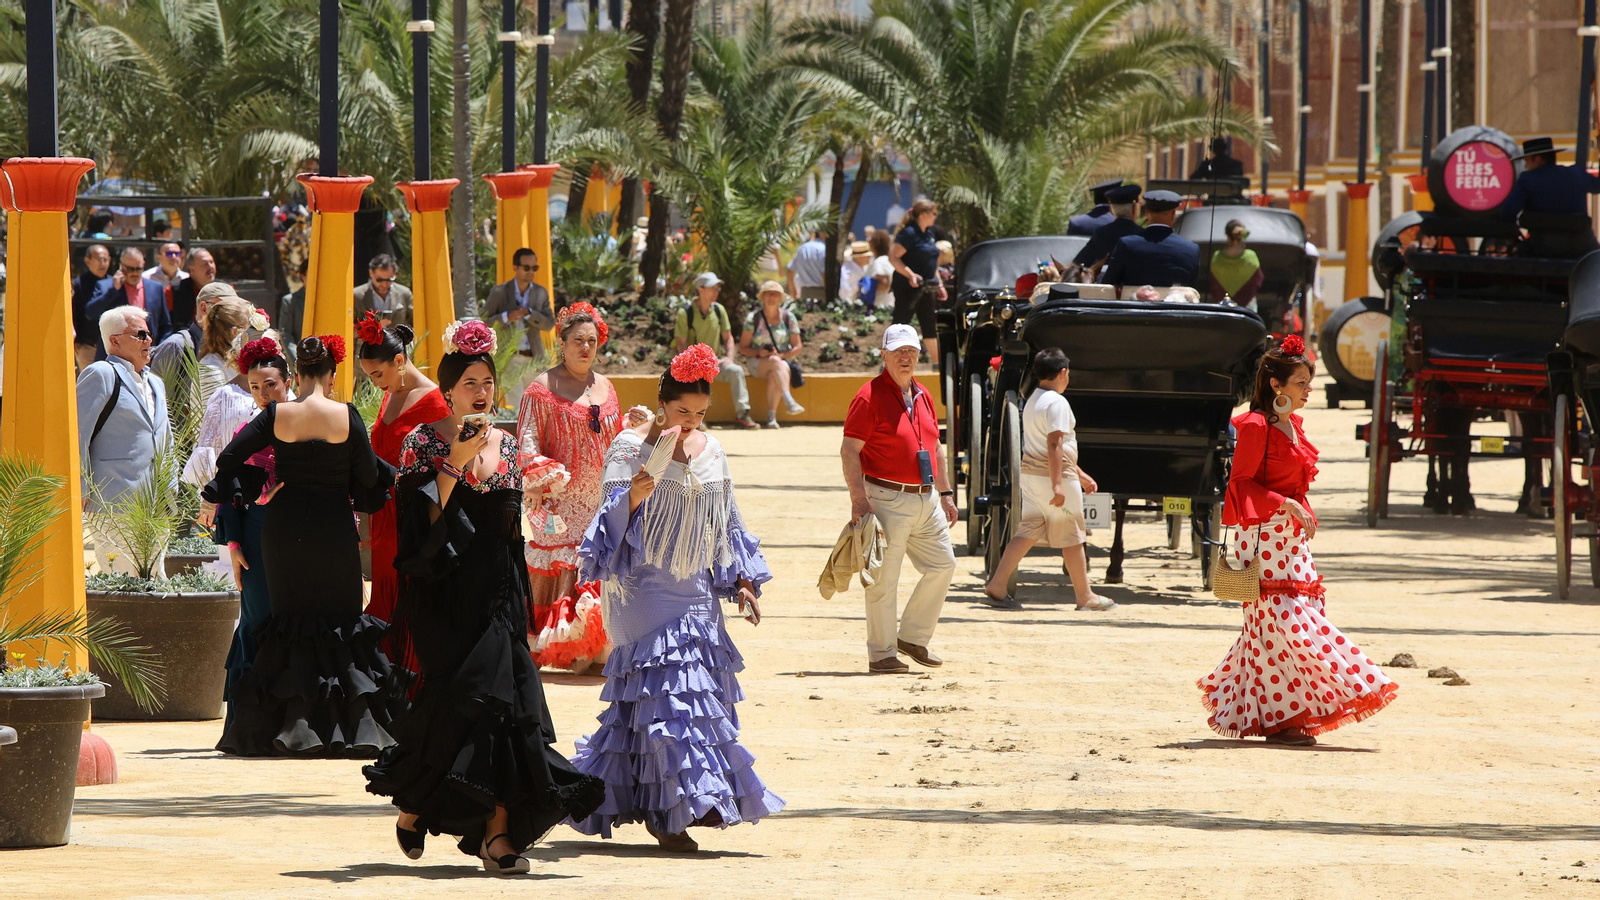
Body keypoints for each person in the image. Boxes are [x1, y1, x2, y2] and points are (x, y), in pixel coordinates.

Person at [364, 320, 605, 875]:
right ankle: (416, 801)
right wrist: (455, 460)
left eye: (487, 382)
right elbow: (420, 524)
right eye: (470, 382)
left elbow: (511, 523)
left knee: (506, 708)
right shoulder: (422, 441)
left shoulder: (508, 443)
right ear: (448, 390)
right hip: (445, 596)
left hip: (497, 590)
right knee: (452, 704)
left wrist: (543, 500)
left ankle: (497, 837)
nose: (480, 391)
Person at [567, 343, 784, 852]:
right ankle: (673, 815)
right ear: (663, 404)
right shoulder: (627, 448)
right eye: (682, 411)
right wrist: (635, 497)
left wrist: (744, 582)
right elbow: (605, 528)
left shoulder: (714, 452)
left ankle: (653, 797)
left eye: (700, 413)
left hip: (697, 588)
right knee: (665, 696)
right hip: (642, 590)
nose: (690, 422)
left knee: (690, 697)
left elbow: (727, 523)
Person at [212, 334, 406, 757]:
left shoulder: (278, 414)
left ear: (296, 375)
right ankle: (351, 729)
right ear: (333, 376)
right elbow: (370, 477)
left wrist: (252, 495)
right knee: (340, 621)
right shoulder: (347, 415)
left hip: (284, 531)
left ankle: (288, 728)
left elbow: (229, 459)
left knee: (290, 622)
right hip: (334, 531)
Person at [1198, 335, 1397, 746]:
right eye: (1302, 383)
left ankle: (1281, 718)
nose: (1309, 390)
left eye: (1309, 381)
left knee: (1271, 632)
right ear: (1276, 385)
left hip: (1291, 546)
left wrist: (1298, 508)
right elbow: (1241, 486)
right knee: (1284, 628)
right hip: (1263, 542)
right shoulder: (1254, 427)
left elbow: (1294, 484)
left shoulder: (1292, 426)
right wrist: (1287, 504)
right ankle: (1333, 692)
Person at [841, 324, 958, 674]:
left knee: (943, 565)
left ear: (919, 356)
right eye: (898, 352)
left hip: (926, 499)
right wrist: (858, 499)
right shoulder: (868, 396)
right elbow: (850, 451)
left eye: (911, 352)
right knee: (883, 580)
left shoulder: (923, 394)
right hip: (886, 498)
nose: (905, 358)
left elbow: (935, 448)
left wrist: (947, 493)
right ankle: (881, 655)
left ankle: (912, 637)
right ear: (884, 356)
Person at [517, 304, 627, 674]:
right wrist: (543, 477)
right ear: (561, 344)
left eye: (592, 342)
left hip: (600, 497)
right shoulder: (541, 389)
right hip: (556, 502)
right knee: (568, 563)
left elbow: (617, 440)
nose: (585, 348)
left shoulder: (607, 387)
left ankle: (597, 650)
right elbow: (527, 443)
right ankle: (571, 649)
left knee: (597, 561)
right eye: (577, 340)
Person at [203, 336, 292, 732]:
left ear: (288, 380)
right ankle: (251, 724)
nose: (262, 394)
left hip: (299, 541)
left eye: (270, 384)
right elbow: (230, 488)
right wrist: (234, 545)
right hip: (255, 540)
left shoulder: (306, 423)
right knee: (258, 618)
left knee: (293, 620)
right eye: (255, 387)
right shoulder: (247, 429)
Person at [981, 349, 1115, 611]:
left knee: (1028, 530)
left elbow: (1052, 446)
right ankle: (1085, 596)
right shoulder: (1057, 402)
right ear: (1063, 372)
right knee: (1073, 535)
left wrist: (1079, 472)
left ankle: (997, 585)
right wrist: (1058, 483)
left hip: (1032, 475)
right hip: (1052, 476)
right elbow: (1055, 443)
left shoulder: (1033, 399)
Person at [356, 312, 449, 673]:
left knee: (408, 601)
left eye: (377, 374)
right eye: (369, 377)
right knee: (384, 598)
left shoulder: (436, 401)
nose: (375, 383)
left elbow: (448, 468)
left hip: (412, 519)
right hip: (383, 517)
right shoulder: (390, 391)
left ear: (399, 361)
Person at [77, 306, 171, 575]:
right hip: (113, 504)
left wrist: (170, 488)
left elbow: (166, 439)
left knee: (157, 584)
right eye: (140, 334)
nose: (149, 340)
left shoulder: (156, 383)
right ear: (115, 340)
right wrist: (82, 490)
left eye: (149, 334)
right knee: (123, 588)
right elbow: (78, 435)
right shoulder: (101, 374)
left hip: (155, 504)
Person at [676, 273, 757, 429]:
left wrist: (729, 357)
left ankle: (743, 415)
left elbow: (728, 338)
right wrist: (691, 364)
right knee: (694, 379)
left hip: (715, 363)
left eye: (717, 288)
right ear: (700, 289)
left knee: (736, 370)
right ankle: (696, 420)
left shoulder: (719, 310)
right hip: (693, 364)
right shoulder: (685, 313)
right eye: (713, 288)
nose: (716, 291)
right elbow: (681, 343)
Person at [1502, 136, 1600, 258]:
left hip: (1540, 247)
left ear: (1538, 159)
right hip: (1582, 246)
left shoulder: (1527, 179)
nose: (1526, 166)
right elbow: (1597, 186)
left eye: (1527, 161)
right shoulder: (1577, 173)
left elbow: (1508, 212)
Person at [1101, 190, 1201, 296]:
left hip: (1134, 310)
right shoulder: (1192, 249)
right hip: (1176, 311)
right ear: (1173, 215)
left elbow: (1108, 284)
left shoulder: (1127, 244)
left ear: (1147, 213)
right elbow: (1192, 290)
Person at [738, 281, 806, 428]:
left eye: (775, 294)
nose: (772, 298)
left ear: (781, 298)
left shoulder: (789, 318)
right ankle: (789, 400)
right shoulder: (753, 319)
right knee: (776, 363)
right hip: (757, 363)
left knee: (775, 370)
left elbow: (798, 346)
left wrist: (782, 355)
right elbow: (743, 348)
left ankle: (771, 417)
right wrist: (759, 352)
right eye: (769, 294)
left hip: (781, 363)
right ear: (762, 297)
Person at [888, 199, 945, 363]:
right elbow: (893, 256)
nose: (935, 217)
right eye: (934, 213)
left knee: (929, 326)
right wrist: (910, 274)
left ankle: (937, 366)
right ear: (924, 214)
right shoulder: (909, 233)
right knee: (900, 325)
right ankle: (888, 365)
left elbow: (932, 262)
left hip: (927, 287)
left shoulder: (929, 233)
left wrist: (939, 284)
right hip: (907, 288)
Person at [89, 248, 174, 355]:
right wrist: (113, 290)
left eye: (138, 269)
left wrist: (159, 350)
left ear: (143, 265)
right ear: (121, 266)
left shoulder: (155, 288)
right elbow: (90, 313)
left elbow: (165, 325)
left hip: (148, 355)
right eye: (130, 269)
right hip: (116, 356)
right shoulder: (107, 287)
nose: (134, 273)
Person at [481, 248, 556, 354]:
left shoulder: (541, 293)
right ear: (515, 268)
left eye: (534, 268)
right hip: (506, 359)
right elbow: (483, 324)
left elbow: (549, 325)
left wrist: (530, 314)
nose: (531, 272)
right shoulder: (499, 292)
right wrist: (506, 317)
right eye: (526, 268)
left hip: (533, 357)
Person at [1070, 183, 1143, 279]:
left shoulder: (1101, 234)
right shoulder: (1143, 235)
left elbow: (1077, 264)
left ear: (1111, 210)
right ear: (1134, 209)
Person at [72, 244, 114, 371]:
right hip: (88, 345)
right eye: (98, 260)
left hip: (111, 346)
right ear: (87, 261)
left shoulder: (114, 283)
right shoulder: (79, 284)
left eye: (105, 260)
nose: (102, 264)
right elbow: (75, 312)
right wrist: (78, 341)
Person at [1208, 219, 1265, 309]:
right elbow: (1257, 281)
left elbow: (1213, 285)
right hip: (1247, 310)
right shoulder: (1251, 256)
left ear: (1227, 236)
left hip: (1222, 306)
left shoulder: (1217, 257)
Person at [352, 253, 413, 330]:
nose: (384, 284)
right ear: (371, 273)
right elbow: (349, 328)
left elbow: (414, 322)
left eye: (389, 279)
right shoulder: (357, 295)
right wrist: (372, 327)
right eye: (379, 280)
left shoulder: (404, 293)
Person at [168, 247, 218, 329]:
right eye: (205, 264)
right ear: (192, 269)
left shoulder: (226, 289)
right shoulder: (173, 291)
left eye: (211, 262)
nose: (210, 267)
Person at [787, 230, 828, 302]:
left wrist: (793, 292)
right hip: (822, 292)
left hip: (805, 293)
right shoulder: (824, 249)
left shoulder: (802, 248)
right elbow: (824, 273)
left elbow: (790, 272)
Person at [863, 230, 894, 310]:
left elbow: (884, 284)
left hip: (879, 306)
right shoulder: (886, 260)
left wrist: (868, 286)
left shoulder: (881, 262)